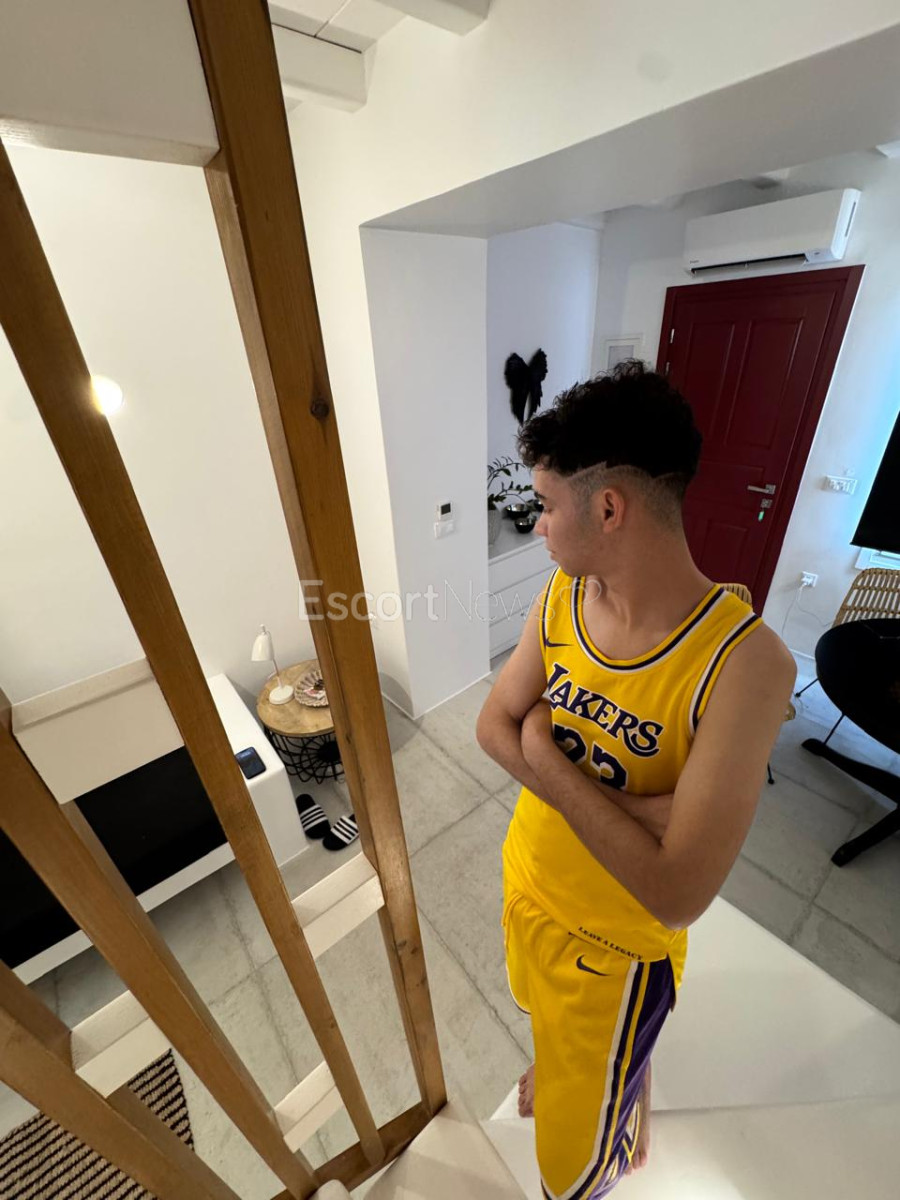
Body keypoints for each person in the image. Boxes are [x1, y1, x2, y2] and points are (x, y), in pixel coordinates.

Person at [476, 361, 795, 1199]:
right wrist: (650, 812)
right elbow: (491, 725)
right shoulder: (562, 595)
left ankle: (618, 1110)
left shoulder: (747, 665)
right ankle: (599, 1074)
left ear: (608, 509)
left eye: (547, 506)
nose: (540, 528)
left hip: (613, 956)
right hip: (527, 882)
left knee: (569, 1172)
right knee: (542, 1025)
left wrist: (546, 755)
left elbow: (677, 891)